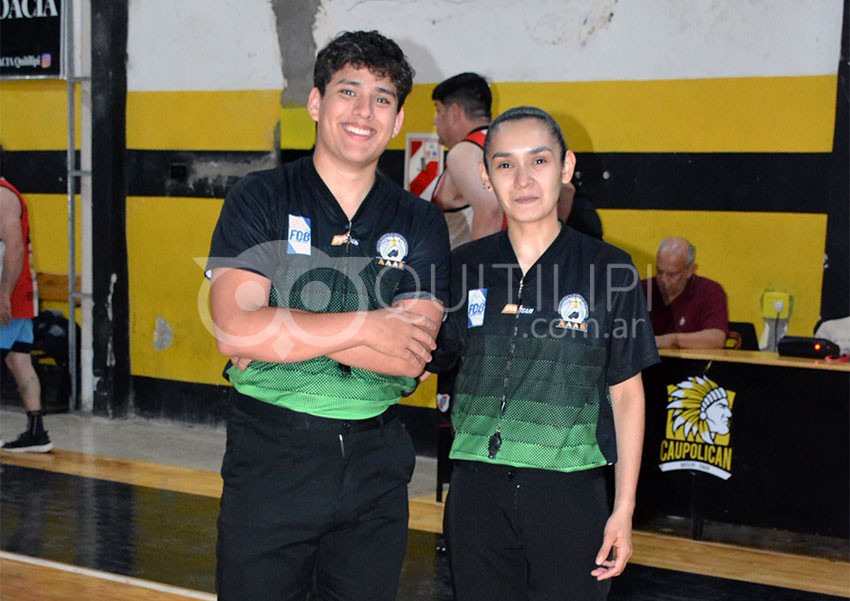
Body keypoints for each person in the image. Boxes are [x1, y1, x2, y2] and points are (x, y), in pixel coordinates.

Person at [205, 31, 450, 601]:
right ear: (316, 103)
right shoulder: (259, 197)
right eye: (348, 91)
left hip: (375, 465)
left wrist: (280, 326)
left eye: (382, 98)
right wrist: (368, 325)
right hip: (270, 455)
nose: (364, 111)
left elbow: (410, 356)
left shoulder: (420, 221)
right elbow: (233, 329)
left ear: (396, 119)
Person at [429, 106, 658, 600]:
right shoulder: (463, 267)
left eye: (539, 160)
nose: (524, 178)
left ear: (567, 167)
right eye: (506, 164)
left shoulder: (610, 270)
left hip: (569, 493)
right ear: (487, 178)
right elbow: (425, 355)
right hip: (476, 493)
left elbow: (627, 396)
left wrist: (623, 508)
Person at [0, 177, 53, 453]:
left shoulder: (3, 196)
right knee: (19, 358)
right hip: (18, 294)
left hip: (9, 293)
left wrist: (4, 295)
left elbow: (14, 248)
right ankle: (37, 432)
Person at [431, 72, 504, 246]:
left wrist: (478, 271)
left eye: (438, 110)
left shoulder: (464, 152)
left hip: (467, 269)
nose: (435, 121)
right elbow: (565, 191)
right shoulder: (511, 143)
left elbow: (491, 209)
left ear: (454, 112)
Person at [642, 237, 728, 349]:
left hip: (693, 365)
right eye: (659, 271)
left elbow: (717, 338)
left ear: (690, 270)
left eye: (672, 274)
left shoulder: (710, 291)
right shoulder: (642, 289)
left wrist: (673, 340)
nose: (663, 279)